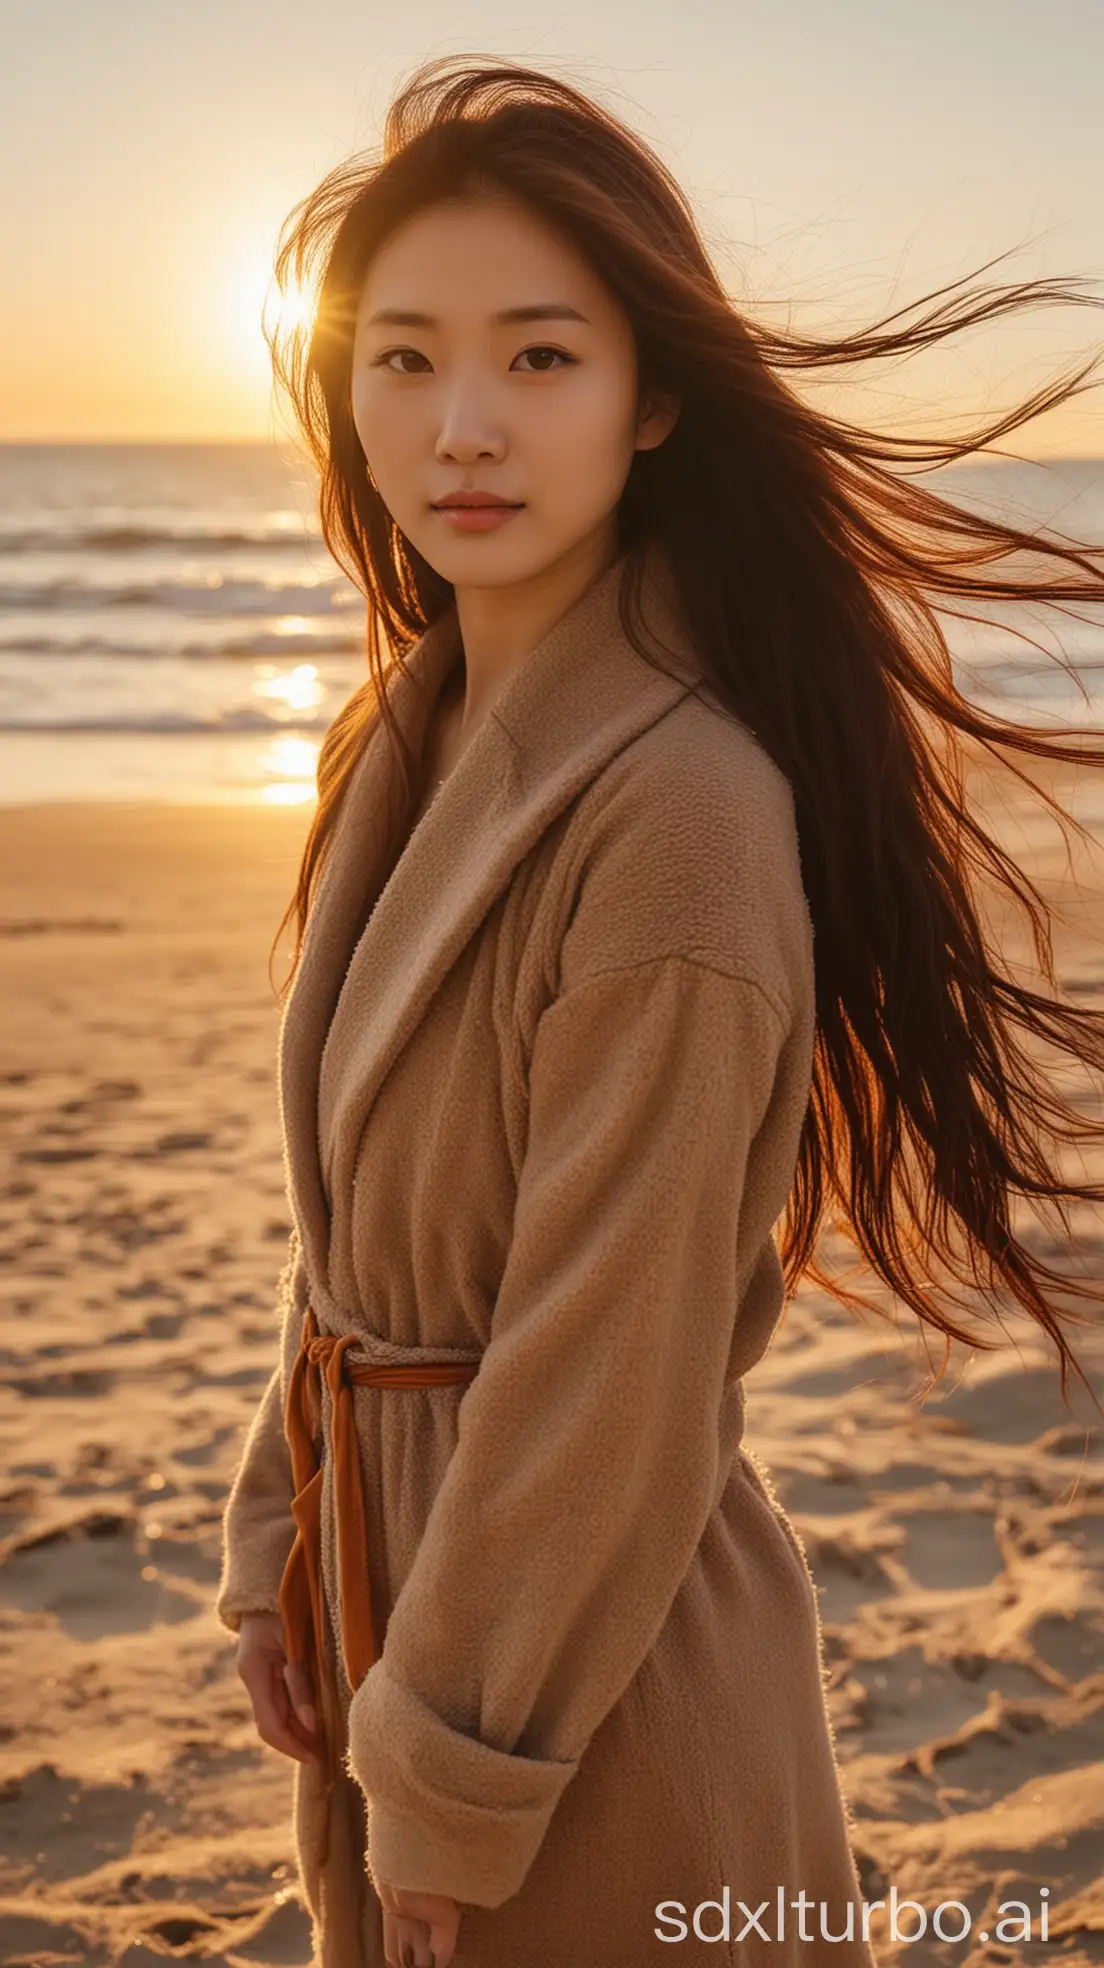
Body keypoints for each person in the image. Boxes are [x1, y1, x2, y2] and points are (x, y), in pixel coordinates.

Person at [215, 55, 1104, 1968]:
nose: (462, 425)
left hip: (586, 1707)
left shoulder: (683, 815)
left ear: (654, 397)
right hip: (412, 1618)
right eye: (402, 358)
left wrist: (454, 1766)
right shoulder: (398, 729)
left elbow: (608, 1356)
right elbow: (353, 1226)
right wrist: (279, 1535)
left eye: (540, 358)